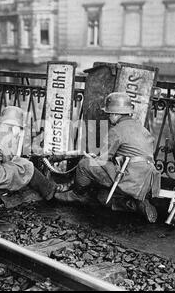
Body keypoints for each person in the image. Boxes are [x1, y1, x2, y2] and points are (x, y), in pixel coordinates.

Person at [55, 92, 161, 223]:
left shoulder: (116, 130)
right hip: (148, 181)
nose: (109, 117)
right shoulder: (142, 129)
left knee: (85, 164)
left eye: (109, 114)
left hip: (128, 179)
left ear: (116, 114)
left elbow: (104, 158)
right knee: (101, 196)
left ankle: (77, 195)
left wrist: (95, 157)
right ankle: (137, 204)